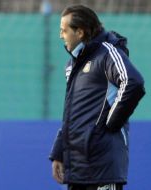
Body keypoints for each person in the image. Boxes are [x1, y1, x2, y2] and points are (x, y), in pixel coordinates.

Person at [49, 5, 145, 190]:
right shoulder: (71, 66)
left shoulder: (108, 52)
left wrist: (111, 123)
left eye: (64, 30)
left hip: (102, 165)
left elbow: (133, 82)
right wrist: (59, 152)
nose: (60, 35)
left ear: (80, 32)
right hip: (78, 168)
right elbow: (71, 114)